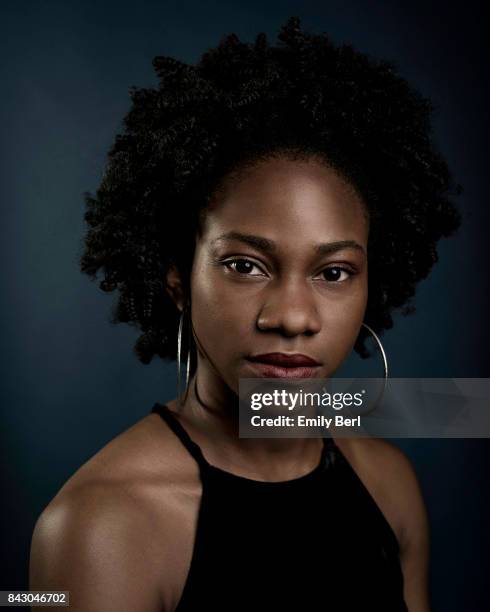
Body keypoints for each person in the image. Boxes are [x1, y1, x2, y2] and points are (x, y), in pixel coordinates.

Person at [29, 16, 461, 612]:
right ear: (179, 280)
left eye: (333, 273)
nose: (291, 316)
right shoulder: (101, 525)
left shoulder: (389, 484)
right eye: (245, 265)